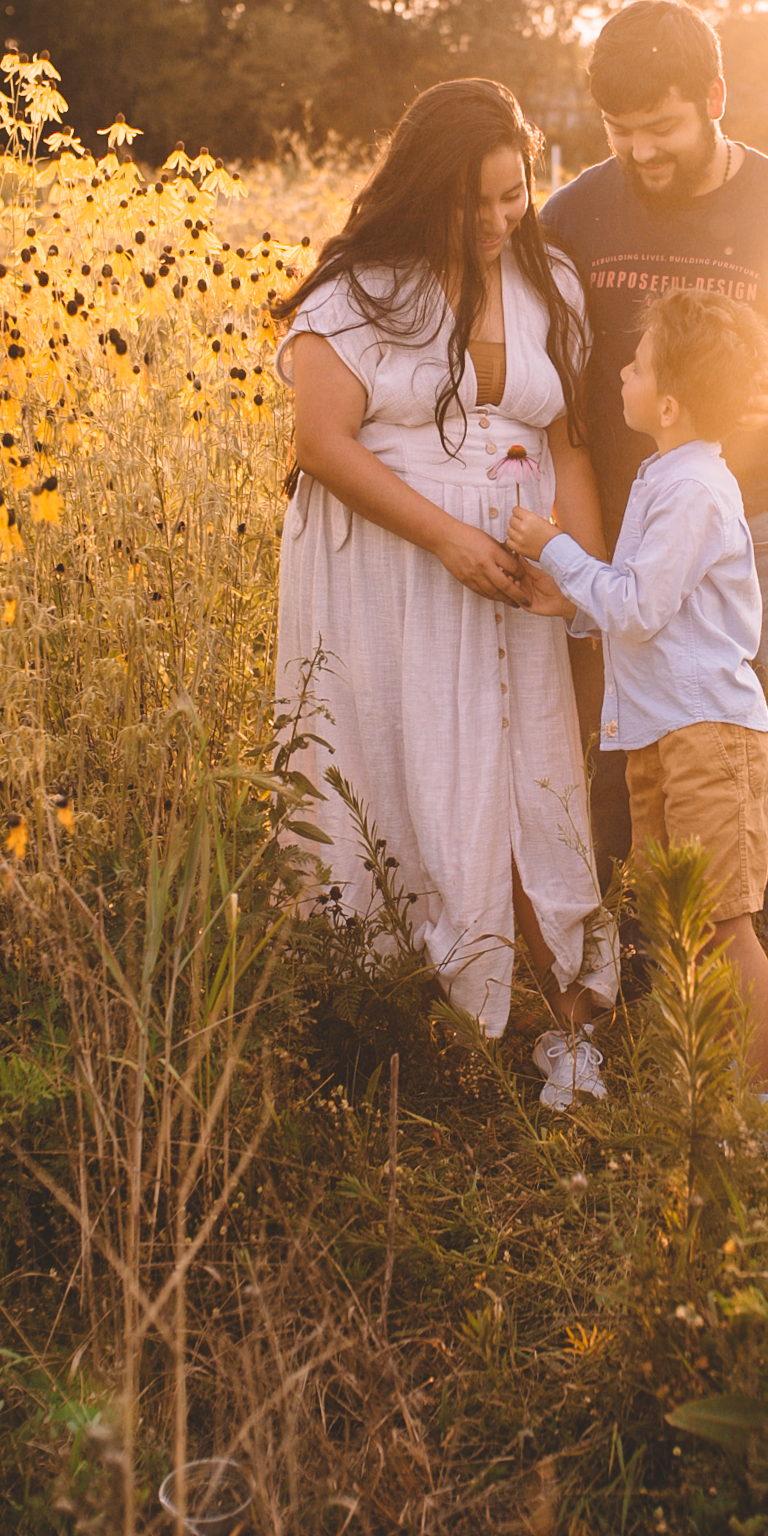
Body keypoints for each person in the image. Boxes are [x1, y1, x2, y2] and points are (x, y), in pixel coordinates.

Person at [272, 78, 615, 1105]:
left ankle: (562, 1022)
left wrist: (578, 581)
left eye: (515, 193)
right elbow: (322, 445)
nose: (500, 220)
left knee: (529, 770)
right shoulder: (360, 292)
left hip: (516, 564)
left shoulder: (551, 280)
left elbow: (568, 441)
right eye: (474, 203)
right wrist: (450, 542)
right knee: (401, 757)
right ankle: (391, 1014)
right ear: (427, 193)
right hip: (388, 564)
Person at [541, 0, 768, 938]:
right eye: (619, 131)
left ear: (715, 97)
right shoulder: (573, 213)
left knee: (728, 754)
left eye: (661, 127)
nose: (640, 151)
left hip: (743, 535)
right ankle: (628, 971)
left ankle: (741, 961)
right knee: (606, 757)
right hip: (602, 531)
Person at [505, 288, 768, 1096]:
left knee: (726, 925)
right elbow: (639, 607)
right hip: (665, 735)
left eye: (635, 363)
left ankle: (763, 1111)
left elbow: (637, 604)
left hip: (709, 738)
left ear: (666, 401)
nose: (618, 373)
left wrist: (556, 551)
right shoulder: (667, 474)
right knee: (681, 924)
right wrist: (573, 603)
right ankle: (702, 1089)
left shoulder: (696, 488)